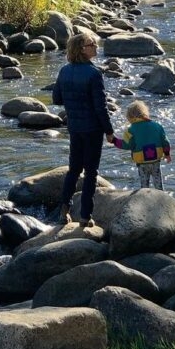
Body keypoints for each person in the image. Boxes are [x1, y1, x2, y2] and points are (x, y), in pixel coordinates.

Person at [51, 33, 114, 229]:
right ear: (81, 49)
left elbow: (57, 99)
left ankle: (65, 209)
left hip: (75, 127)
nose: (96, 46)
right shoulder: (94, 73)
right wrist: (109, 131)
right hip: (93, 129)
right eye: (91, 44)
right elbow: (100, 107)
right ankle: (86, 216)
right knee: (91, 173)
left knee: (74, 169)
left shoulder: (64, 71)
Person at [112, 100, 171, 190]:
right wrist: (167, 154)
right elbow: (165, 142)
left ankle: (144, 200)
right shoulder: (157, 126)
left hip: (142, 162)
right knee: (158, 184)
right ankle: (161, 199)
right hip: (155, 160)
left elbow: (126, 145)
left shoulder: (130, 130)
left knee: (144, 186)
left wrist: (114, 140)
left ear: (129, 117)